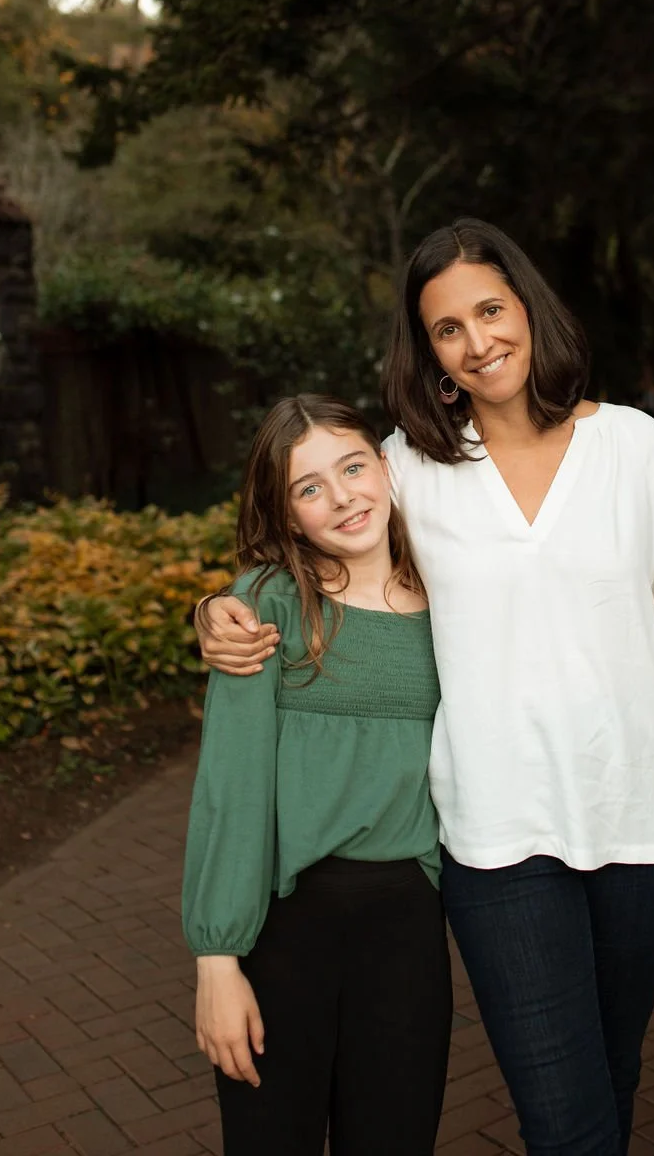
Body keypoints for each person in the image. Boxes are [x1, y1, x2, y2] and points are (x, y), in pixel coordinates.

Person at [196, 218, 654, 1156]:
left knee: (609, 1076)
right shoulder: (410, 468)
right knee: (565, 1121)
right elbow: (320, 551)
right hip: (497, 833)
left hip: (640, 820)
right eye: (447, 329)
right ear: (429, 352)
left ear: (528, 307)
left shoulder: (633, 446)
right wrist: (219, 608)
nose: (477, 342)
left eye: (490, 310)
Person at [182, 394, 452, 1156]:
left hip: (407, 925)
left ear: (386, 467)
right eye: (309, 487)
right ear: (287, 514)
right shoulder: (265, 606)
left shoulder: (453, 600)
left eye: (353, 467)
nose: (341, 497)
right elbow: (231, 788)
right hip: (285, 925)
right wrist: (216, 960)